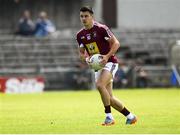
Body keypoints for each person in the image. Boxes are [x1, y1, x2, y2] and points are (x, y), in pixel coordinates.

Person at [76, 6, 137, 126]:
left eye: (86, 16)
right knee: (110, 99)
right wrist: (87, 59)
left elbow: (116, 43)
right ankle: (131, 116)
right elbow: (81, 54)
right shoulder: (80, 35)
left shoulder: (101, 29)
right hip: (97, 66)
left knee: (99, 85)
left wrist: (106, 56)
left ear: (92, 16)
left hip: (110, 62)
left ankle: (109, 117)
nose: (84, 18)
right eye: (81, 16)